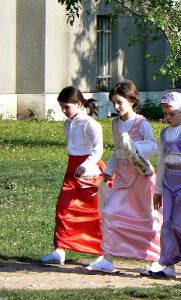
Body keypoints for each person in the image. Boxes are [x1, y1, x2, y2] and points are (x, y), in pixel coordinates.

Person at [86, 79, 162, 273]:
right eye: (114, 103)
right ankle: (107, 259)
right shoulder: (115, 124)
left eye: (120, 102)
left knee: (147, 218)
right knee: (110, 212)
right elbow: (117, 151)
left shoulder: (141, 123)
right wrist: (108, 171)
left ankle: (155, 259)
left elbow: (152, 146)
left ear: (132, 101)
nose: (117, 106)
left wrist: (135, 148)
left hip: (141, 177)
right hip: (121, 178)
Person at [40, 86, 105, 264]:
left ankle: (102, 253)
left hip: (89, 172)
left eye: (66, 107)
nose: (64, 111)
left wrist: (85, 165)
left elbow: (98, 150)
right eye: (62, 107)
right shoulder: (68, 124)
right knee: (63, 207)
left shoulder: (90, 124)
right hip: (72, 170)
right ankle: (59, 250)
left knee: (94, 212)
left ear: (79, 104)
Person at [147, 92, 181, 278]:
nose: (167, 117)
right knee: (167, 224)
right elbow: (162, 162)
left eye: (171, 113)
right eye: (165, 113)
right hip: (169, 183)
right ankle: (169, 265)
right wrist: (159, 189)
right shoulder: (164, 133)